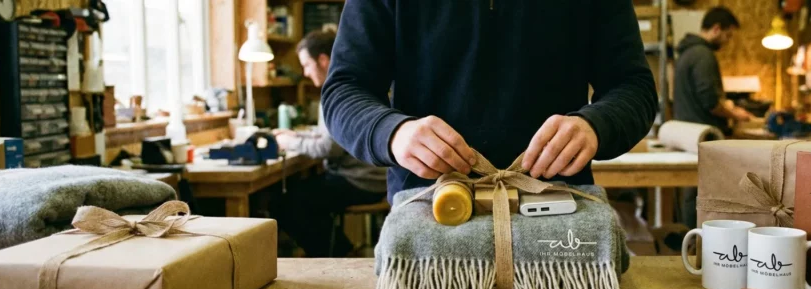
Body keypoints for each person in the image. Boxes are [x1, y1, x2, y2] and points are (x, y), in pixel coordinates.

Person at [321, 1, 658, 203]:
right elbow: (344, 90)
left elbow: (634, 87)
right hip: (432, 210)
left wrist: (595, 125)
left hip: (557, 211)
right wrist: (393, 133)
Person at [272, 27, 388, 257]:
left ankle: (338, 254)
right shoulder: (354, 83)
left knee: (285, 205)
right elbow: (331, 135)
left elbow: (329, 148)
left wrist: (289, 142)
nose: (305, 72)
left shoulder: (336, 92)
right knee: (297, 197)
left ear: (323, 60)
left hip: (360, 181)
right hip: (376, 177)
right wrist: (297, 136)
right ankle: (341, 249)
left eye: (306, 64)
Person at [671, 6, 752, 244]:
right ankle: (697, 245)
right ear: (716, 29)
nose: (727, 42)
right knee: (701, 194)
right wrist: (735, 113)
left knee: (693, 191)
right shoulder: (703, 55)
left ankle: (691, 240)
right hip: (704, 135)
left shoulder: (687, 53)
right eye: (728, 35)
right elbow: (709, 100)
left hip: (691, 134)